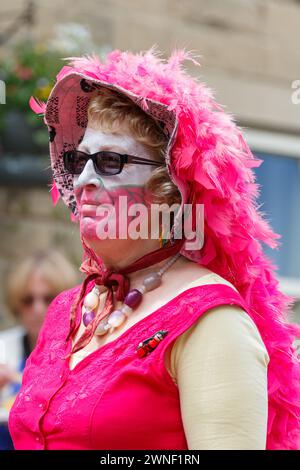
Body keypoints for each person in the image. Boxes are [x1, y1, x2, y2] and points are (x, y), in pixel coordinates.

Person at [8, 47, 300, 450]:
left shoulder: (211, 320)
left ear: (168, 190)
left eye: (110, 160)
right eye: (78, 161)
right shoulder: (66, 309)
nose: (83, 181)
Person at [0, 249, 78, 449]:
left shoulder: (82, 351)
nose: (38, 309)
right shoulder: (3, 347)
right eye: (28, 300)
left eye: (48, 298)